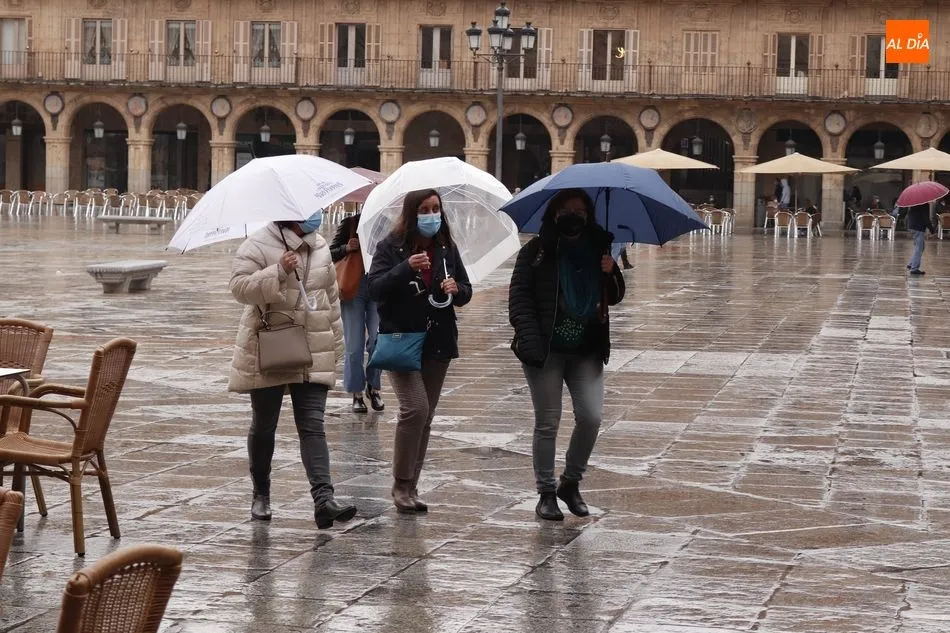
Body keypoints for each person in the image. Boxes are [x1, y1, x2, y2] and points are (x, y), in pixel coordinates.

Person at [229, 211, 357, 529]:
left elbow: (330, 298)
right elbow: (239, 288)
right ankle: (261, 493)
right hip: (272, 343)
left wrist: (336, 346)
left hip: (313, 346)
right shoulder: (258, 244)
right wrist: (277, 272)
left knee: (313, 424)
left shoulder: (321, 246)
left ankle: (324, 500)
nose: (317, 214)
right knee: (264, 425)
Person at [508, 188, 626, 522]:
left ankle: (570, 482)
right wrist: (530, 342)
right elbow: (519, 300)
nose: (572, 216)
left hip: (586, 349)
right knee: (548, 422)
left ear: (589, 215)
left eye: (579, 210)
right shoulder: (537, 252)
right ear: (553, 214)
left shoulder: (598, 250)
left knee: (591, 417)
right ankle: (545, 492)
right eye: (565, 210)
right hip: (545, 350)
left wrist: (611, 272)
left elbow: (614, 298)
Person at [368, 189, 473, 514]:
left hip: (438, 340)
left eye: (436, 208)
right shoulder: (391, 248)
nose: (432, 215)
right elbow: (373, 288)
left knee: (425, 417)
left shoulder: (446, 248)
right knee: (415, 409)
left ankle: (412, 487)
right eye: (425, 209)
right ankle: (400, 485)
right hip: (402, 340)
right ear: (412, 214)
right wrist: (405, 268)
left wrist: (457, 290)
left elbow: (466, 291)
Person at [330, 213, 384, 414]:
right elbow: (330, 252)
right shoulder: (351, 223)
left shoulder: (386, 224)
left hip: (378, 287)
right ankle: (357, 393)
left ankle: (374, 386)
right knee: (354, 345)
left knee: (377, 341)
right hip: (353, 288)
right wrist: (347, 247)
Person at [906, 202, 936, 276]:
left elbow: (909, 214)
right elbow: (926, 219)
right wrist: (932, 230)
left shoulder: (914, 203)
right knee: (919, 248)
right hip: (918, 228)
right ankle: (914, 268)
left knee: (920, 247)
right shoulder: (924, 204)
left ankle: (911, 263)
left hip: (912, 226)